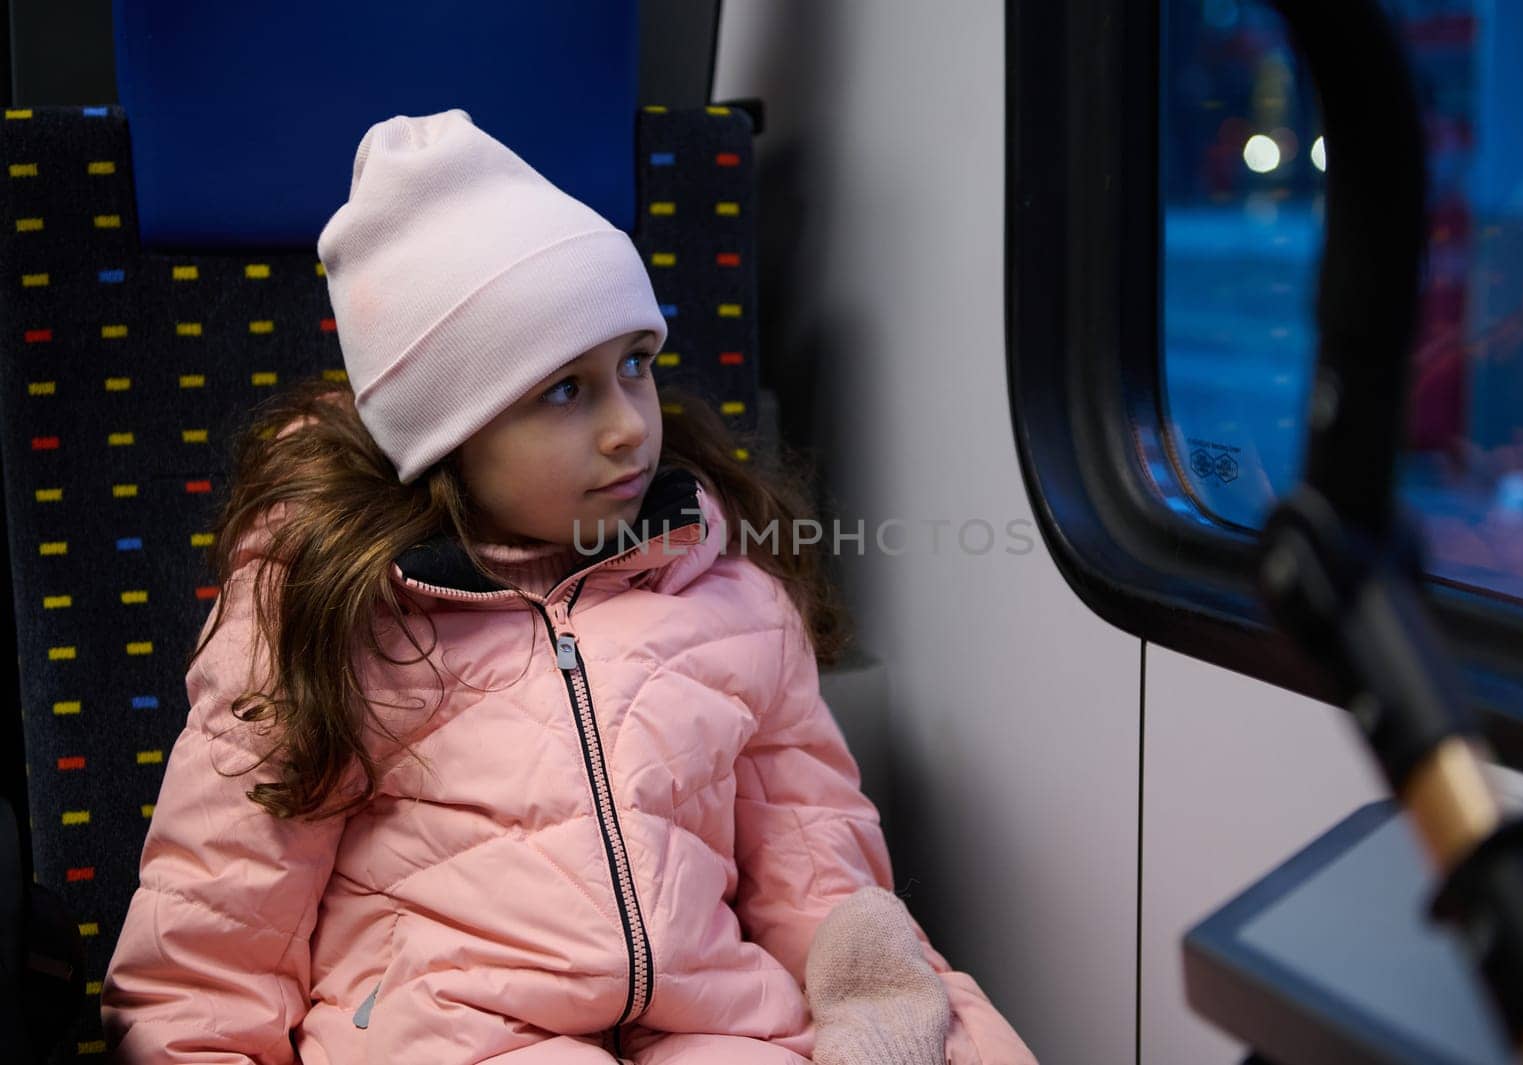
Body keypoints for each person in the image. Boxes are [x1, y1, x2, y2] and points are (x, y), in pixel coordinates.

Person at [98, 110, 1036, 1064]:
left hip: (705, 1016)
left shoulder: (728, 599)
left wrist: (870, 995)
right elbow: (216, 929)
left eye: (635, 365)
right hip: (449, 1031)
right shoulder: (329, 612)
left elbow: (811, 856)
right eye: (564, 390)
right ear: (448, 436)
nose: (630, 424)